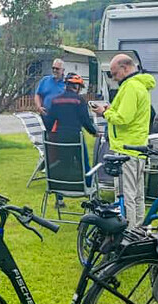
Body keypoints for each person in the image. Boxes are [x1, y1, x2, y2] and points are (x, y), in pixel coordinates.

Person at [91, 54, 155, 226]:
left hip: (126, 149)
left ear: (125, 68)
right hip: (138, 148)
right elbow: (129, 114)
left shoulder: (130, 87)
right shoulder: (141, 85)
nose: (113, 78)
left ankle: (129, 233)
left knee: (126, 196)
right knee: (138, 195)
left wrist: (104, 112)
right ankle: (139, 231)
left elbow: (123, 118)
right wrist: (112, 109)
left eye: (114, 73)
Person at [42, 73, 98, 207]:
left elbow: (49, 124)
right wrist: (94, 132)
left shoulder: (55, 101)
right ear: (76, 86)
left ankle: (59, 199)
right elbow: (85, 121)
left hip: (60, 138)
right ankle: (90, 194)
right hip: (76, 137)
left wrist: (43, 114)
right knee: (84, 165)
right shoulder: (79, 100)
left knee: (62, 166)